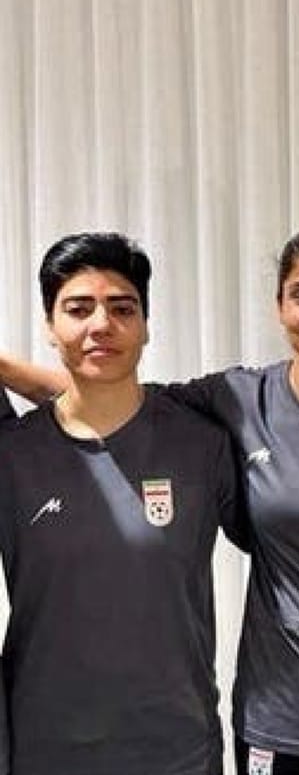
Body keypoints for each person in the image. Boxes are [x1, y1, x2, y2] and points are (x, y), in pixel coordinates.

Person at [0, 225, 299, 775]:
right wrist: (9, 370)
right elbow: (109, 395)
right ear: (280, 306)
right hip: (273, 724)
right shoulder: (237, 401)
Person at [0, 232, 241, 774]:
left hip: (177, 752)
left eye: (122, 308)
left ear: (146, 325)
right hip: (45, 750)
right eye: (78, 309)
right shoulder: (12, 454)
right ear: (49, 325)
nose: (101, 325)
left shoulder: (202, 444)